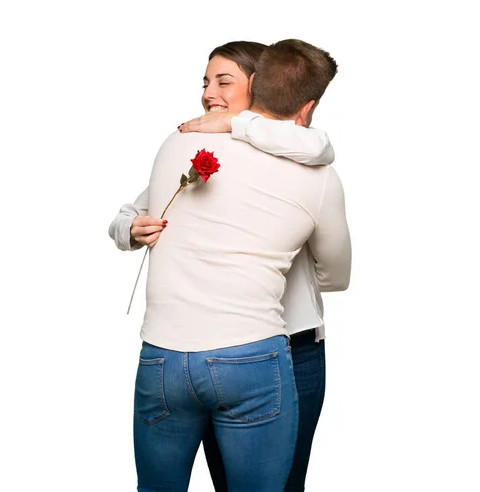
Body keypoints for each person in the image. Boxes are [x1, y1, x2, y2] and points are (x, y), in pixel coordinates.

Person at [108, 40, 351, 491]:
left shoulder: (293, 154)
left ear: (260, 86)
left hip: (286, 341)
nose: (210, 94)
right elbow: (134, 208)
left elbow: (316, 144)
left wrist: (239, 123)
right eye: (206, 82)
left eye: (224, 81)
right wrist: (130, 228)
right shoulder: (193, 146)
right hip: (241, 349)